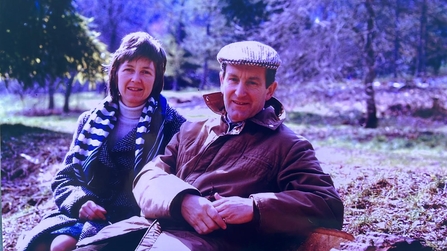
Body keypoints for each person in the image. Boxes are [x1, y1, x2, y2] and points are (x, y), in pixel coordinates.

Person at [75, 41, 344, 251]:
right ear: (221, 81)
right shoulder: (191, 130)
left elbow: (328, 205)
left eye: (252, 83)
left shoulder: (289, 146)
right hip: (149, 228)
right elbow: (148, 177)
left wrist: (254, 207)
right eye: (234, 79)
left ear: (270, 90)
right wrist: (182, 200)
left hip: (217, 243)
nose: (239, 92)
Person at [16, 31, 186, 251]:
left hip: (137, 222)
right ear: (115, 74)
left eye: (146, 71)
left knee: (62, 248)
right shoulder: (89, 121)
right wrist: (80, 202)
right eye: (128, 70)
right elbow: (65, 178)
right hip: (84, 214)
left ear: (157, 80)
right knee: (43, 245)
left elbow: (178, 183)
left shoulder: (173, 125)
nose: (136, 79)